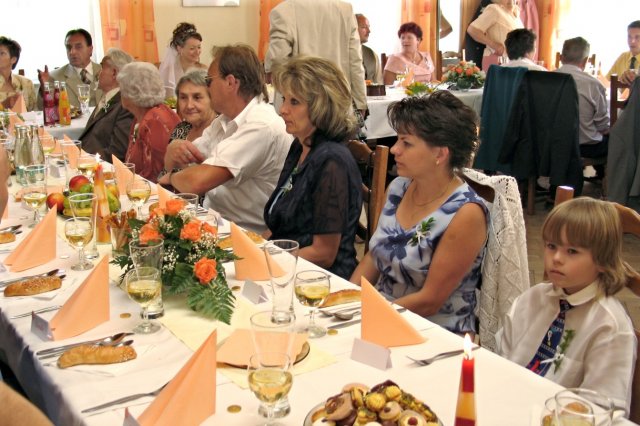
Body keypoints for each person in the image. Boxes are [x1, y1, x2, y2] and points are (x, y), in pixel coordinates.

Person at [350, 92, 488, 334]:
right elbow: (374, 257)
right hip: (380, 315)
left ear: (440, 154)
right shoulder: (399, 188)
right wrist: (348, 301)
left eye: (406, 143)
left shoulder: (466, 213)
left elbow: (430, 299)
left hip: (433, 332)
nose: (395, 150)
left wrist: (367, 316)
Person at [497, 197, 637, 412]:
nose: (556, 258)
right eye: (551, 246)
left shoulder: (610, 327)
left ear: (603, 260)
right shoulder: (532, 299)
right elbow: (502, 358)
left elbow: (602, 408)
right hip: (506, 401)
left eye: (572, 251)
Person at [158, 45, 292, 233]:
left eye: (209, 80)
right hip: (215, 224)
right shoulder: (224, 120)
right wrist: (173, 151)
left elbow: (196, 181)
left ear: (230, 83)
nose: (207, 87)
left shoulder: (261, 125)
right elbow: (184, 160)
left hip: (246, 236)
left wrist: (171, 177)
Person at [264, 56, 363, 279]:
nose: (282, 110)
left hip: (320, 279)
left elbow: (324, 253)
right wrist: (254, 251)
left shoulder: (332, 162)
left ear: (321, 107)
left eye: (294, 102)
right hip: (288, 266)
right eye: (284, 99)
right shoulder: (300, 147)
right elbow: (279, 223)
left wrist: (267, 261)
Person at [264, 0, 367, 112]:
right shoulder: (345, 10)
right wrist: (360, 103)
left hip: (298, 106)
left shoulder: (283, 11)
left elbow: (278, 59)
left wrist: (270, 71)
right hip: (338, 103)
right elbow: (355, 63)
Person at [555, 37, 609, 178]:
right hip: (584, 147)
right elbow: (603, 126)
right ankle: (605, 179)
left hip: (551, 145)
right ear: (585, 61)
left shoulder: (545, 79)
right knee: (616, 140)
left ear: (561, 57)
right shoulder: (593, 84)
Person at [118, 62, 180, 182]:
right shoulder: (142, 116)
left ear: (130, 93)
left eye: (121, 89)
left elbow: (155, 176)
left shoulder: (154, 121)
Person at [78, 48, 134, 162]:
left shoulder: (125, 105)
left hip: (98, 166)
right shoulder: (107, 98)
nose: (98, 73)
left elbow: (117, 152)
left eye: (102, 67)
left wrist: (85, 160)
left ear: (114, 73)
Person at [37, 28, 102, 109]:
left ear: (90, 49)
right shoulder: (53, 77)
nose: (72, 52)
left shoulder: (105, 71)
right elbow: (42, 109)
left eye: (78, 47)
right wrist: (44, 89)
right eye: (68, 47)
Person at [467, 0, 523, 71]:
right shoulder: (494, 10)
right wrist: (494, 45)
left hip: (514, 62)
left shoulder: (516, 14)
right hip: (497, 60)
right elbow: (472, 30)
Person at [158, 23, 207, 99]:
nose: (197, 52)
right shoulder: (169, 72)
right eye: (192, 48)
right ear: (180, 49)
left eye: (199, 47)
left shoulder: (204, 69)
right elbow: (167, 100)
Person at [169, 69, 216, 144]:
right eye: (183, 97)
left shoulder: (222, 130)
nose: (189, 106)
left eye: (197, 97)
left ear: (212, 98)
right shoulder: (181, 129)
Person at [0, 36, 36, 111]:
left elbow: (34, 113)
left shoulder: (27, 83)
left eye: (1, 53)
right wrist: (3, 105)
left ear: (13, 59)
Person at [606, 20, 640, 86]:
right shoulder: (623, 56)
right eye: (629, 37)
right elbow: (608, 81)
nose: (632, 41)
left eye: (637, 37)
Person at [355, 14, 382, 84]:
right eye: (364, 27)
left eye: (368, 27)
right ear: (352, 29)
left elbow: (379, 83)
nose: (369, 31)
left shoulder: (372, 54)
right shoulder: (340, 54)